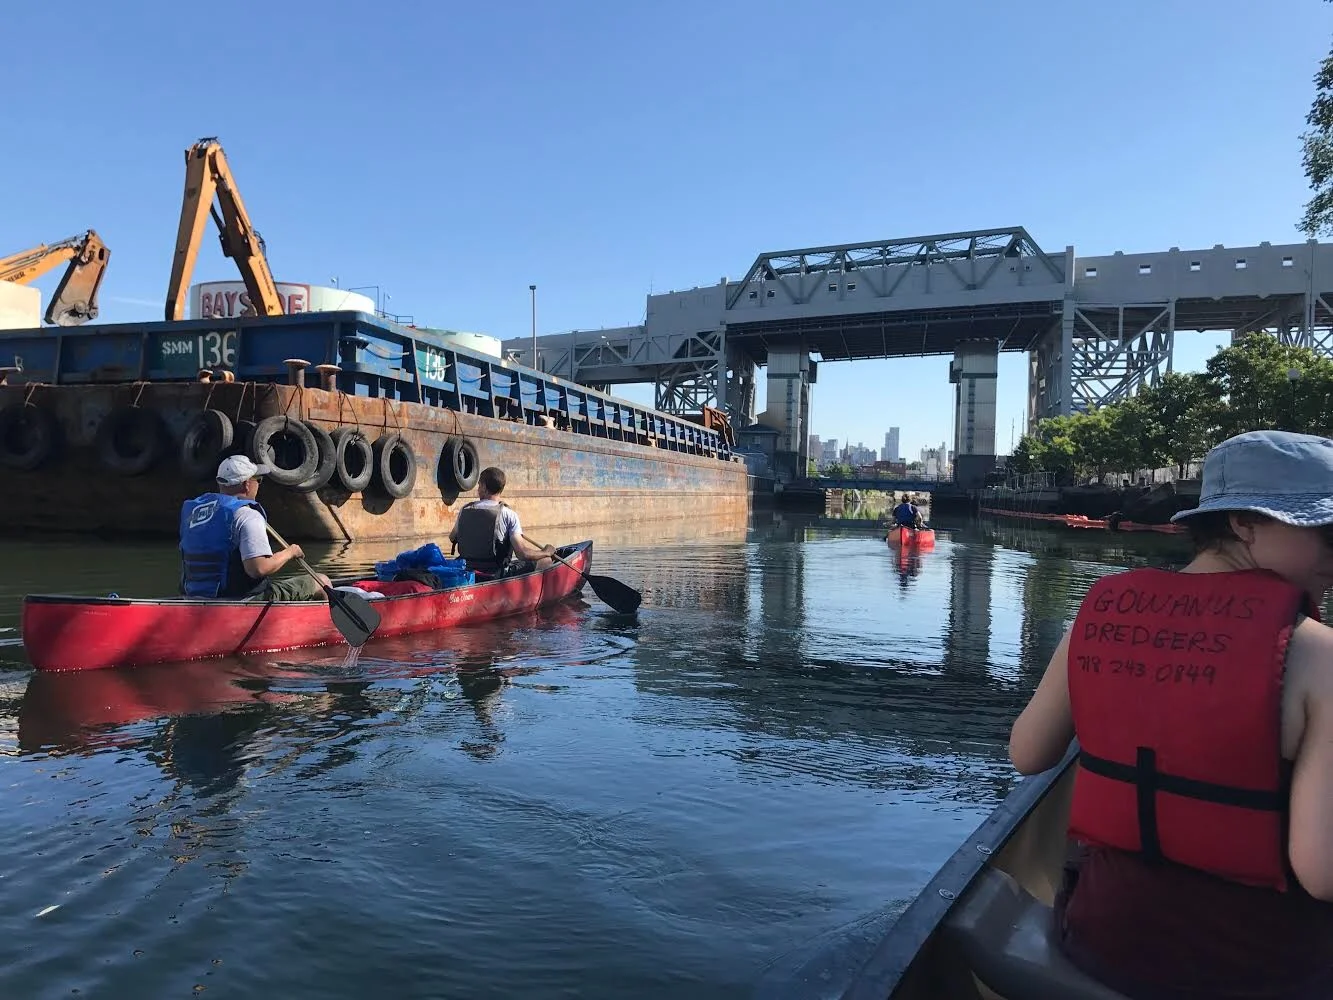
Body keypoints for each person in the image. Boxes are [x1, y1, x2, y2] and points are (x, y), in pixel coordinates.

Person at [1008, 429, 1333, 1000]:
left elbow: (1028, 754)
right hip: (1265, 974)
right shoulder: (1321, 657)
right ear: (1244, 523)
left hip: (1094, 946)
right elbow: (1322, 872)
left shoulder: (1099, 613)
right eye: (1326, 533)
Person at [179, 455, 332, 601]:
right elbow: (258, 569)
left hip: (194, 596)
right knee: (322, 581)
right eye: (258, 480)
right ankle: (326, 627)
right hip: (242, 599)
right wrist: (290, 552)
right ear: (247, 484)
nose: (258, 484)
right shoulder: (247, 515)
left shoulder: (195, 514)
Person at [448, 466, 555, 579]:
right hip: (494, 574)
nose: (478, 489)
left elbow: (452, 537)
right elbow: (522, 554)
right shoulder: (509, 514)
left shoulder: (465, 509)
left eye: (479, 485)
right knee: (546, 561)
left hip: (466, 571)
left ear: (484, 487)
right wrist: (546, 552)